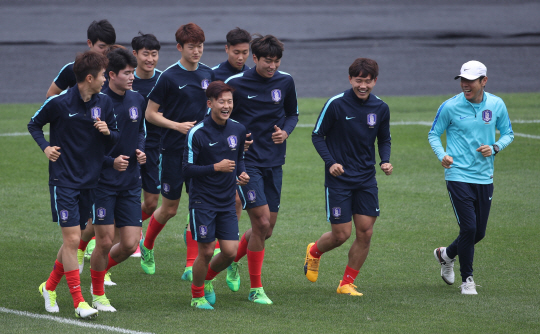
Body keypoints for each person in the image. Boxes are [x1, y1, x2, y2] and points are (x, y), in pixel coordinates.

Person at [29, 50, 118, 318]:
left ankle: (50, 287)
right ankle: (79, 302)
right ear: (89, 78)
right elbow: (34, 124)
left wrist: (107, 132)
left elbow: (114, 137)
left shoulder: (105, 103)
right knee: (73, 239)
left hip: (90, 181)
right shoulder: (58, 103)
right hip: (63, 180)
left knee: (72, 240)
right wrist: (45, 148)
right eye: (103, 75)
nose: (105, 80)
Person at [305, 58, 392, 297]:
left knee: (365, 232)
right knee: (341, 235)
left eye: (367, 81)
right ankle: (314, 251)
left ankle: (346, 283)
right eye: (358, 80)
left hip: (365, 178)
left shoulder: (381, 108)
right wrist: (331, 163)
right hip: (339, 179)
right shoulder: (336, 104)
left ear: (375, 81)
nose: (362, 86)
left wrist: (384, 159)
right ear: (350, 79)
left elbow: (384, 138)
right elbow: (317, 136)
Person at [225, 34, 299, 304]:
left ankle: (231, 260)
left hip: (274, 162)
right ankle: (256, 288)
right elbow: (218, 117)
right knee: (262, 222)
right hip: (247, 164)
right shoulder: (235, 84)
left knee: (266, 230)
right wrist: (235, 140)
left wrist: (286, 133)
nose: (273, 66)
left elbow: (293, 114)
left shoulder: (285, 81)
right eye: (268, 61)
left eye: (277, 61)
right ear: (254, 58)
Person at [429, 60, 514, 295]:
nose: (465, 85)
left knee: (479, 233)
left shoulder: (497, 105)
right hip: (457, 174)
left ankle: (446, 255)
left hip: (484, 176)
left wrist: (495, 147)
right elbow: (434, 134)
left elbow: (508, 133)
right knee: (468, 227)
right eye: (462, 80)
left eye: (470, 81)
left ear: (483, 81)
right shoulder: (449, 107)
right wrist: (442, 155)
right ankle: (468, 280)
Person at [140, 23, 215, 276]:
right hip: (173, 151)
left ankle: (191, 264)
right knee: (170, 209)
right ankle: (147, 244)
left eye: (200, 46)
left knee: (198, 206)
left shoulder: (208, 74)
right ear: (180, 47)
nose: (197, 51)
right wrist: (176, 126)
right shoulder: (168, 77)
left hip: (200, 154)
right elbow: (150, 114)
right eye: (192, 47)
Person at [183, 81, 249, 310]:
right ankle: (197, 294)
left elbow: (239, 157)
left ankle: (207, 278)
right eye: (221, 101)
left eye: (229, 101)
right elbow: (186, 169)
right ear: (210, 104)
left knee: (230, 252)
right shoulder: (197, 133)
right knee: (207, 250)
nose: (226, 106)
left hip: (227, 200)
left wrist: (241, 173)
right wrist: (215, 168)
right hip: (203, 200)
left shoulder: (238, 129)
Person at [90, 48, 146, 312]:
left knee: (129, 244)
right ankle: (98, 294)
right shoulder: (97, 103)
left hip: (131, 182)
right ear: (111, 75)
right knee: (104, 241)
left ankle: (97, 275)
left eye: (133, 72)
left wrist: (140, 149)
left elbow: (140, 132)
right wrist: (110, 162)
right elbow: (87, 149)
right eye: (127, 73)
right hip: (103, 182)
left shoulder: (137, 99)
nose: (132, 77)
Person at [130, 32, 163, 257]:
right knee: (124, 195)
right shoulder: (126, 79)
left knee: (151, 203)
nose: (150, 59)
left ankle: (131, 225)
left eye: (154, 54)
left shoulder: (164, 79)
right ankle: (129, 234)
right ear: (135, 55)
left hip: (155, 148)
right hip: (127, 147)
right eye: (145, 54)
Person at [46, 19, 116, 98]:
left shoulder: (117, 69)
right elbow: (51, 95)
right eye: (102, 47)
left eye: (110, 47)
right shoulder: (72, 69)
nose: (106, 51)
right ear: (89, 43)